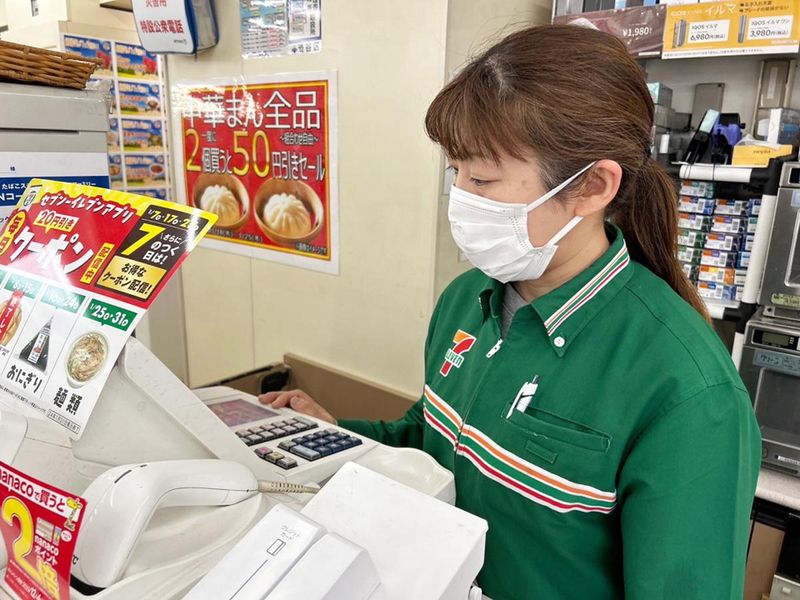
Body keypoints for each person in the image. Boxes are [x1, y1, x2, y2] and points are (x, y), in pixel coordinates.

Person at [261, 25, 760, 600]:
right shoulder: (467, 300)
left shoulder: (687, 392)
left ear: (592, 186)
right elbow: (432, 444)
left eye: (483, 178)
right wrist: (335, 434)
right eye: (456, 173)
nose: (461, 199)